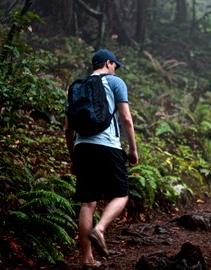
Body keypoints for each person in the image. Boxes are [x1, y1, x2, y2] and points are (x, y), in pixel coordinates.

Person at [64, 49, 138, 270]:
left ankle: (87, 260)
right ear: (108, 63)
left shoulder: (75, 87)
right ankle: (101, 229)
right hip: (108, 146)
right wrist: (133, 149)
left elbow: (68, 129)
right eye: (115, 65)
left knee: (88, 203)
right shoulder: (115, 83)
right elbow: (125, 117)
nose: (115, 70)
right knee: (121, 193)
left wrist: (74, 158)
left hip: (82, 147)